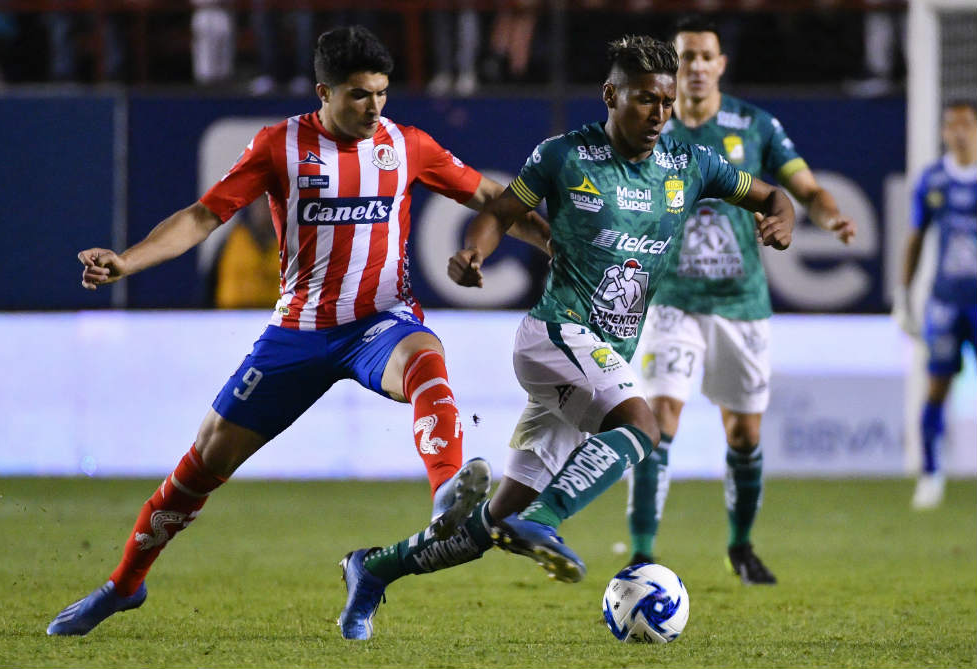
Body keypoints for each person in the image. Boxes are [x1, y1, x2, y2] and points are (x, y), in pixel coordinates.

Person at [46, 25, 548, 637]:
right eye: (359, 95)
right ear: (324, 91)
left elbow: (492, 195)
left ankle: (448, 494)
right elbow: (205, 215)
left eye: (382, 94)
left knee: (425, 359)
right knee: (202, 463)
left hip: (379, 322)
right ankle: (125, 584)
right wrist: (128, 260)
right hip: (299, 333)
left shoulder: (406, 146)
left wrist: (556, 244)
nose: (374, 108)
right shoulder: (279, 145)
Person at [336, 33, 796, 641]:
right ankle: (548, 521)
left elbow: (768, 193)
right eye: (642, 101)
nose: (657, 115)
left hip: (597, 363)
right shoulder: (566, 156)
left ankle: (372, 570)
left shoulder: (691, 165)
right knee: (644, 426)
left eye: (664, 102)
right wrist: (473, 251)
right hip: (554, 335)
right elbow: (501, 211)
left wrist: (781, 215)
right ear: (610, 94)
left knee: (491, 524)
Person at [620, 16, 857, 585]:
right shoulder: (650, 125)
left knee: (744, 434)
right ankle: (642, 552)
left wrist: (831, 217)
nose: (697, 67)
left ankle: (742, 547)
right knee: (658, 421)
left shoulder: (755, 125)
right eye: (687, 58)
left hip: (741, 302)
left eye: (706, 56)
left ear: (721, 65)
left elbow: (803, 188)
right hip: (671, 299)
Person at [894, 100, 977, 510]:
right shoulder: (934, 179)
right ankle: (929, 475)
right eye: (951, 125)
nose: (958, 132)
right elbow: (915, 238)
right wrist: (903, 295)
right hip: (945, 301)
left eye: (965, 124)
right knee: (936, 389)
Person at [213, 195, 280, 308]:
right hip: (231, 315)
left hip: (274, 314)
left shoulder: (289, 243)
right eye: (260, 204)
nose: (263, 209)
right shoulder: (232, 240)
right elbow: (211, 282)